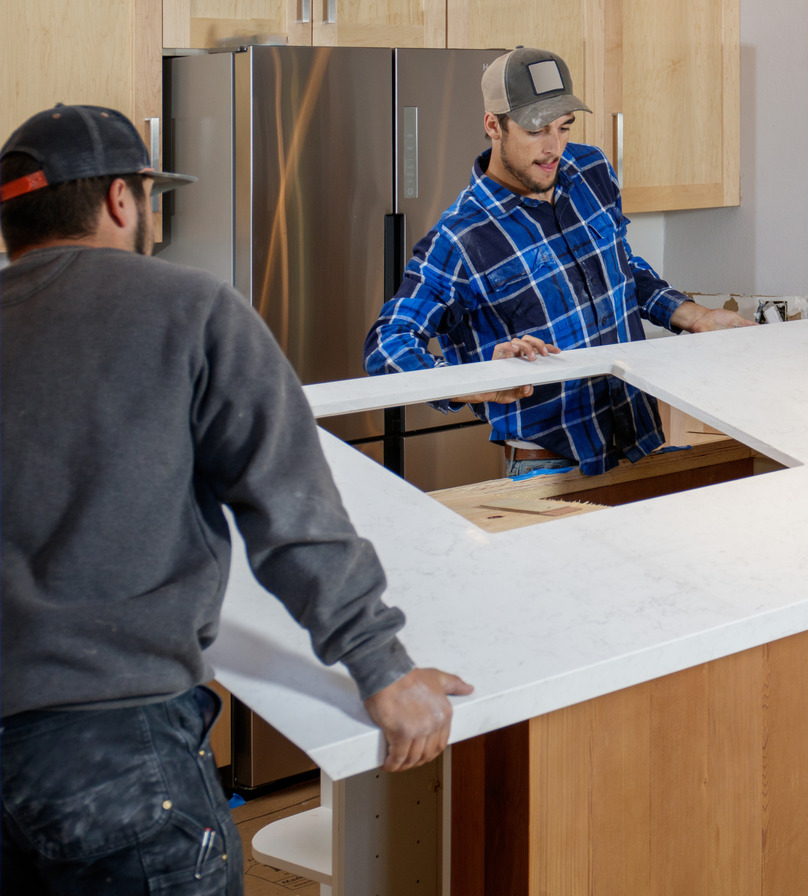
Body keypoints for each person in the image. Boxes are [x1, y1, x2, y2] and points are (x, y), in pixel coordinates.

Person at [1, 104, 472, 893]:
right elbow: (291, 510)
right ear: (122, 200)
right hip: (115, 750)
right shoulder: (190, 309)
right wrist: (382, 666)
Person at [364, 47, 751, 478]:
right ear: (494, 125)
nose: (553, 148)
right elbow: (387, 344)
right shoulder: (460, 238)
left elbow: (618, 265)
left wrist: (692, 315)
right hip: (548, 468)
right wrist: (474, 381)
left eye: (563, 127)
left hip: (638, 439)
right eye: (535, 130)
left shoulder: (591, 169)